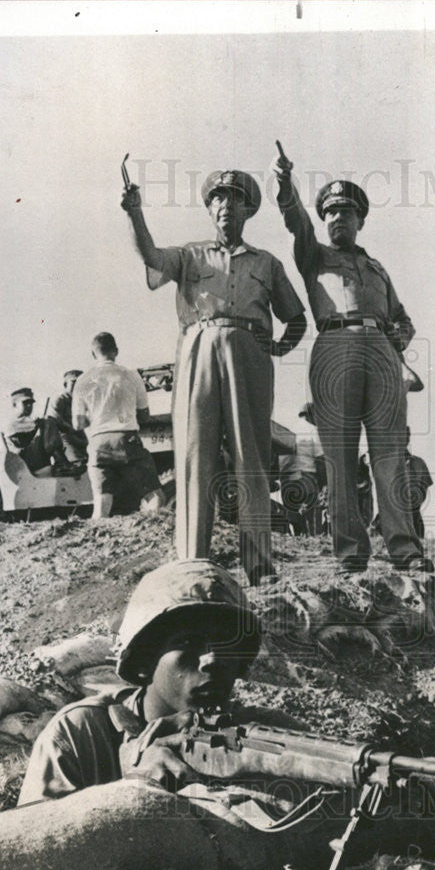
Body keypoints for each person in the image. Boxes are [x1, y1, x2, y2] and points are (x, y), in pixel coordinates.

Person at [122, 169, 307, 586]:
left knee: (252, 456)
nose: (226, 206)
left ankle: (259, 564)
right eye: (218, 199)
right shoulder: (190, 255)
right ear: (210, 209)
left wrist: (276, 347)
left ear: (248, 209)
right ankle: (192, 559)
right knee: (193, 454)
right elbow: (151, 257)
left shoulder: (266, 262)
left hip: (250, 353)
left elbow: (296, 317)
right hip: (198, 347)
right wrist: (135, 214)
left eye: (235, 199)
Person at [271, 144, 433, 574]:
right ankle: (349, 552)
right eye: (330, 213)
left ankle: (405, 549)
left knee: (389, 453)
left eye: (346, 212)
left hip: (382, 352)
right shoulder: (314, 255)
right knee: (339, 457)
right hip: (334, 346)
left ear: (360, 220)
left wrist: (402, 332)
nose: (337, 219)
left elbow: (403, 317)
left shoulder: (378, 267)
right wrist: (285, 184)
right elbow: (295, 220)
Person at [17, 560, 270, 804]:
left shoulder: (264, 736)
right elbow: (34, 840)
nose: (213, 659)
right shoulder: (80, 735)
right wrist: (132, 794)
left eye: (228, 643)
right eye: (187, 643)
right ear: (143, 663)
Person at [72, 333, 166, 519]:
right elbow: (144, 416)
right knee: (156, 497)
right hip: (126, 440)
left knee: (101, 506)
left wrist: (98, 419)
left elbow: (78, 424)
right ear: (116, 351)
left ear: (93, 354)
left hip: (98, 444)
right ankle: (148, 532)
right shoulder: (131, 375)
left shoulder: (82, 380)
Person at [278, 403, 326, 535]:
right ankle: (314, 541)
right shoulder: (313, 430)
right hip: (307, 477)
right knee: (312, 517)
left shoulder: (287, 431)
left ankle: (299, 540)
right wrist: (323, 484)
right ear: (313, 415)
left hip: (287, 479)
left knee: (294, 517)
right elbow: (320, 460)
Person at [3, 387, 74, 475]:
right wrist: (43, 423)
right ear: (15, 405)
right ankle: (61, 461)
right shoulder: (12, 424)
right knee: (48, 421)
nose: (29, 406)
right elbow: (26, 434)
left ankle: (61, 460)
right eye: (25, 403)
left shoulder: (34, 423)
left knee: (49, 422)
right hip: (23, 469)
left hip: (38, 466)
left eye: (31, 403)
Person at [48, 369, 89, 466]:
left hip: (80, 438)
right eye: (74, 383)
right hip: (65, 439)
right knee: (79, 463)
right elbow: (56, 421)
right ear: (65, 384)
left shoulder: (81, 401)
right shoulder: (59, 400)